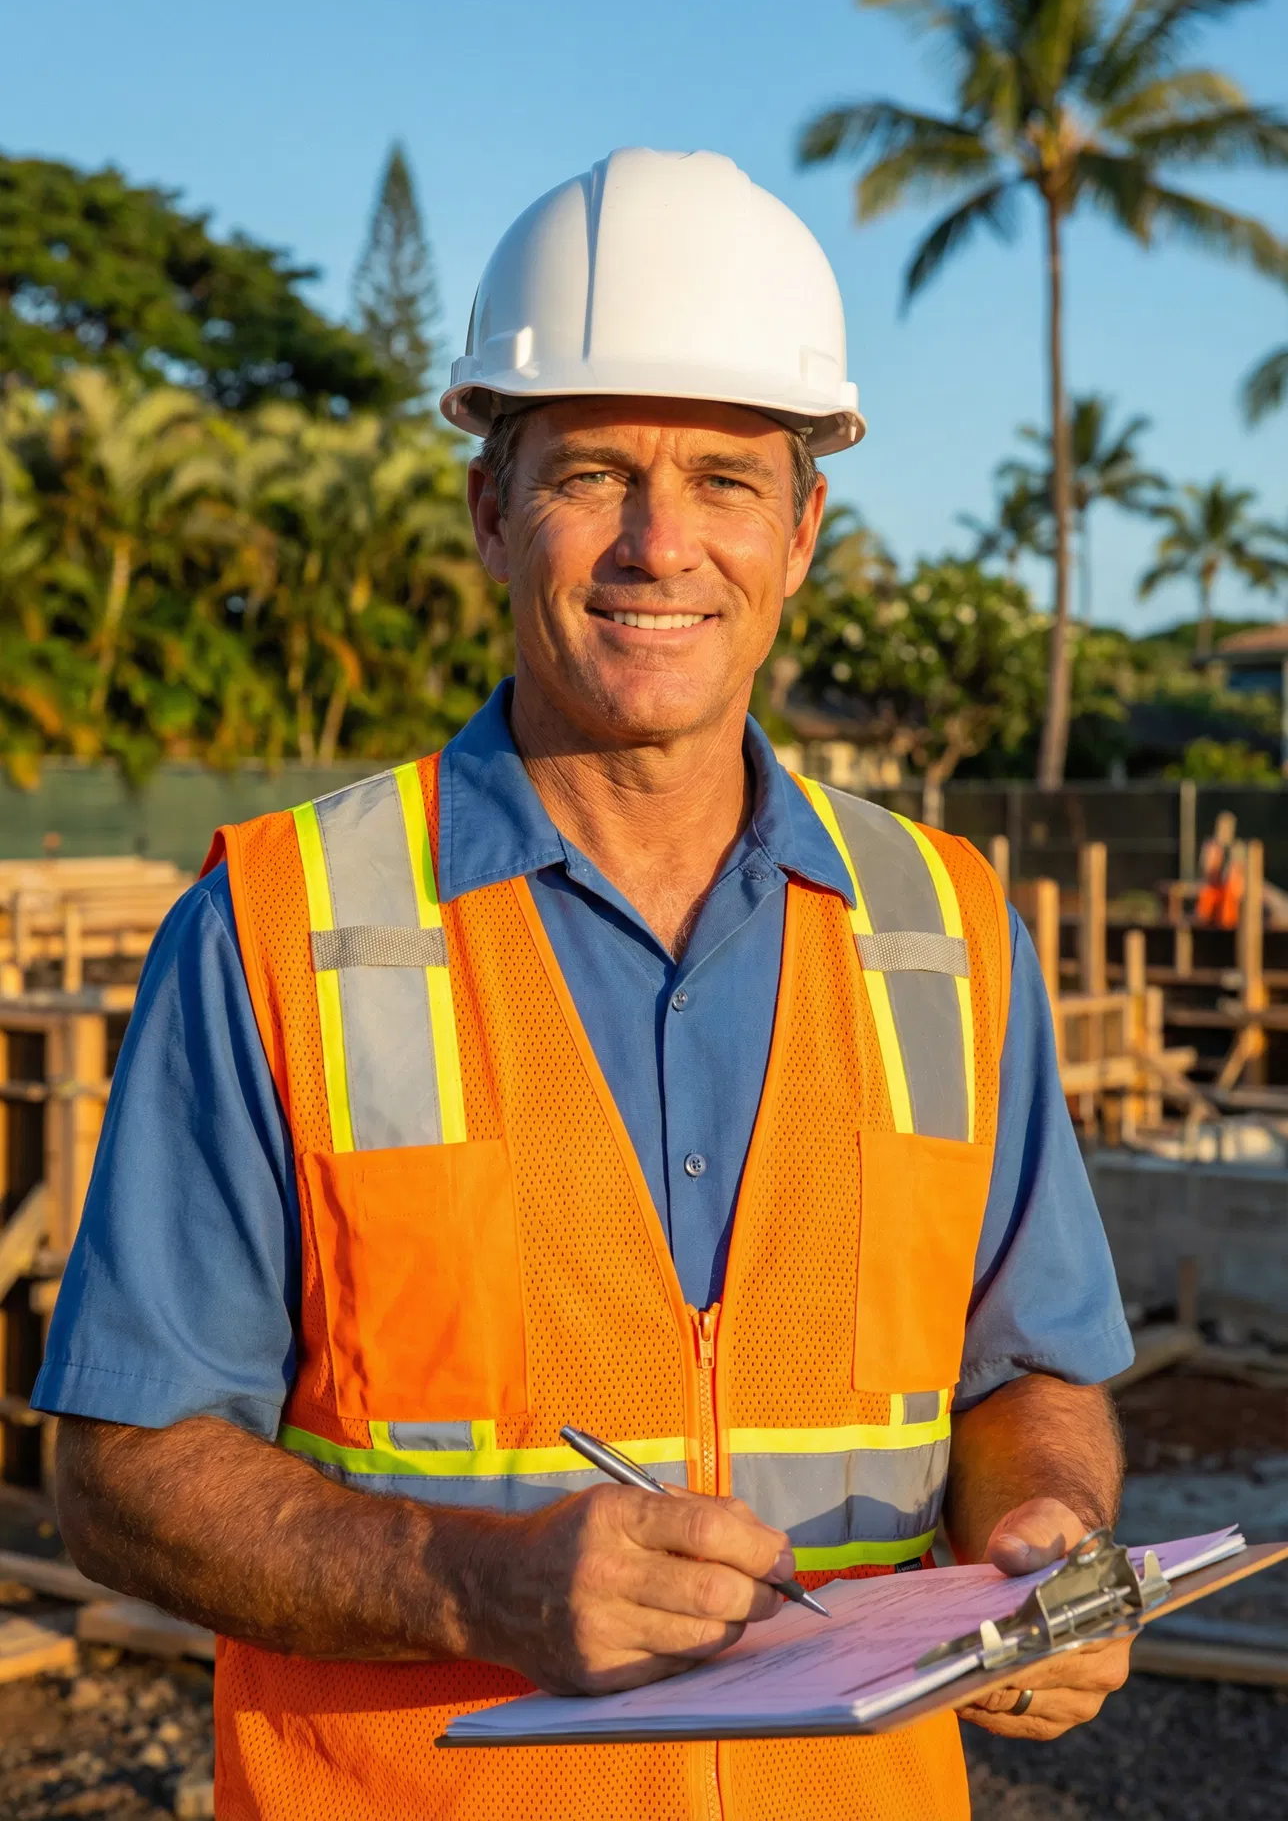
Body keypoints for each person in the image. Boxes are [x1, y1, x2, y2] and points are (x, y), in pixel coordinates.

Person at [36, 149, 1134, 1821]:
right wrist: (473, 1583)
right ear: (492, 508)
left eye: (723, 480)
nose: (658, 545)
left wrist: (1043, 1535)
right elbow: (118, 1472)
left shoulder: (946, 926)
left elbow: (1026, 1373)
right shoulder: (282, 925)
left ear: (804, 528)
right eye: (593, 474)